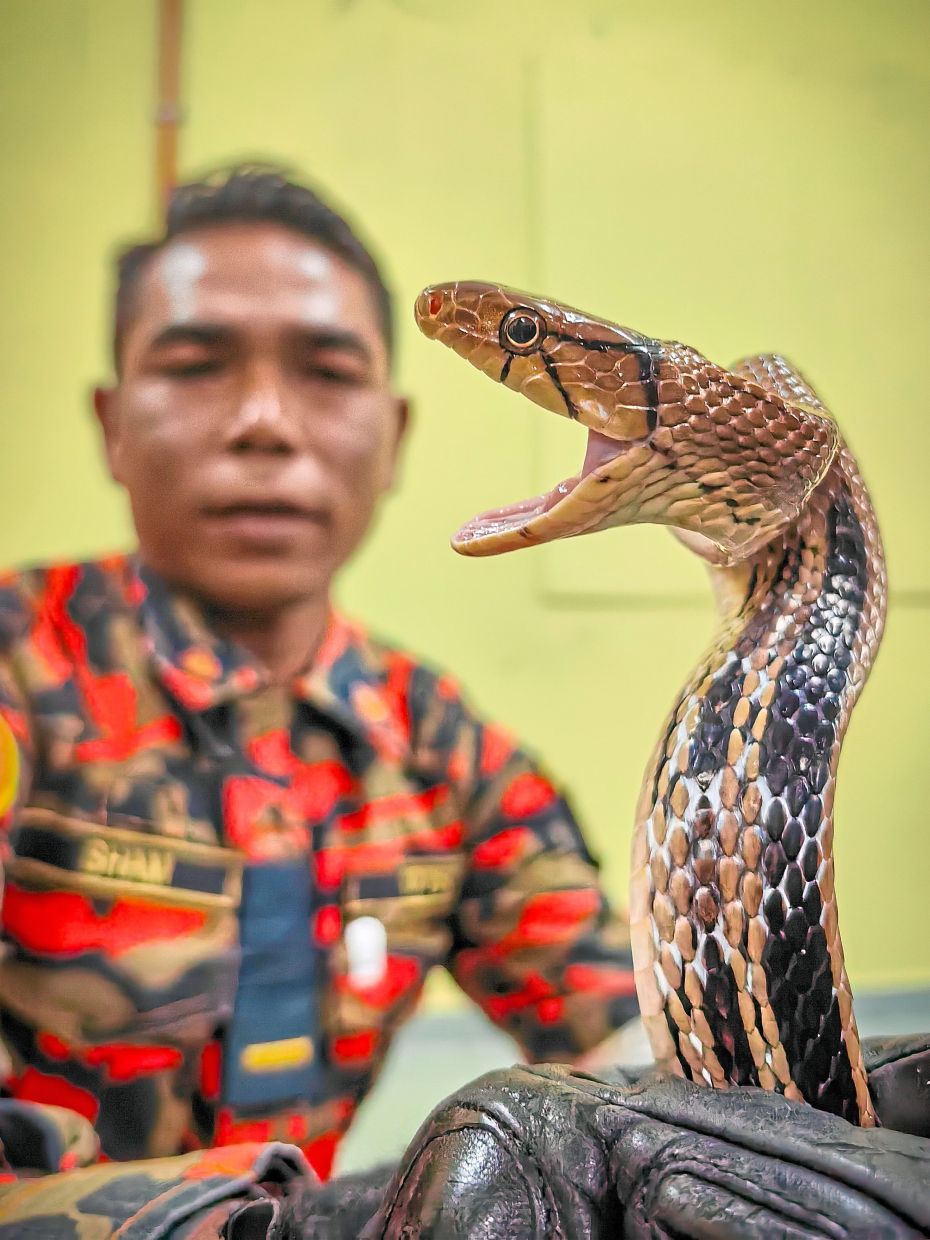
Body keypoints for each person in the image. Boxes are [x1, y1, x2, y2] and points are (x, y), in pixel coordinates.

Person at [0, 165, 637, 1183]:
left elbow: (630, 1046)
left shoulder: (448, 751)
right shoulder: (23, 669)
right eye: (196, 363)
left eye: (328, 373)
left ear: (393, 438)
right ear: (113, 423)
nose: (265, 421)